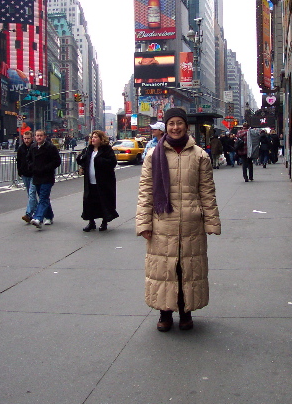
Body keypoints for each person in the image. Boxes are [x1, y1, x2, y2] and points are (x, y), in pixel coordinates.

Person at [136, 107, 221, 332]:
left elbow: (207, 192)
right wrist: (144, 223)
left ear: (186, 125)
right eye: (171, 123)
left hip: (192, 223)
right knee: (164, 270)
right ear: (166, 126)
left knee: (188, 270)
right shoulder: (153, 156)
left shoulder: (200, 156)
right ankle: (165, 314)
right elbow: (145, 193)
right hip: (162, 222)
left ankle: (185, 312)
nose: (175, 127)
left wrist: (212, 221)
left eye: (179, 123)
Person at [76, 130, 119, 232]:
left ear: (101, 139)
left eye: (95, 137)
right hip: (90, 181)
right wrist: (80, 158)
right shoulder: (89, 149)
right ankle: (91, 222)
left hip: (103, 182)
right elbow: (82, 160)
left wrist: (99, 160)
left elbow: (112, 162)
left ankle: (104, 222)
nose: (93, 139)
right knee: (89, 201)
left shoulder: (106, 149)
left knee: (103, 201)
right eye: (92, 137)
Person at [29, 129, 61, 229]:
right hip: (37, 176)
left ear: (45, 136)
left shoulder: (50, 147)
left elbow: (57, 161)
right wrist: (32, 167)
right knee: (43, 197)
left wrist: (46, 168)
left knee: (43, 197)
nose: (39, 137)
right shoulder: (33, 147)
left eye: (41, 135)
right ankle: (49, 216)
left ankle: (38, 218)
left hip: (47, 176)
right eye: (37, 135)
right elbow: (28, 159)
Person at [16, 130, 38, 223]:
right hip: (25, 174)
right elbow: (19, 161)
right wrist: (20, 171)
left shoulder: (35, 147)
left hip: (34, 174)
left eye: (28, 138)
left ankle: (28, 214)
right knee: (30, 194)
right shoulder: (21, 148)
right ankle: (39, 212)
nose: (26, 140)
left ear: (32, 138)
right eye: (25, 138)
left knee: (32, 194)